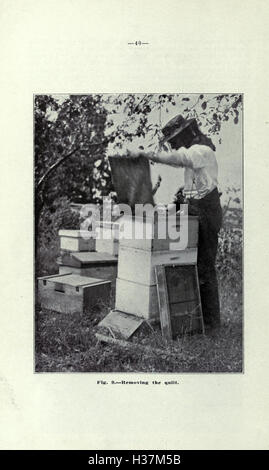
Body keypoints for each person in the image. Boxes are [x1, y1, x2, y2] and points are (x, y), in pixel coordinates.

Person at [133, 114, 223, 330]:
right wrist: (169, 207)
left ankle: (211, 325)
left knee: (204, 268)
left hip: (207, 214)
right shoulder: (195, 154)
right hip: (196, 210)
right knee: (192, 266)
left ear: (186, 134)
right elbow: (190, 192)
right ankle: (194, 319)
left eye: (174, 139)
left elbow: (181, 159)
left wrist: (146, 154)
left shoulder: (201, 151)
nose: (173, 145)